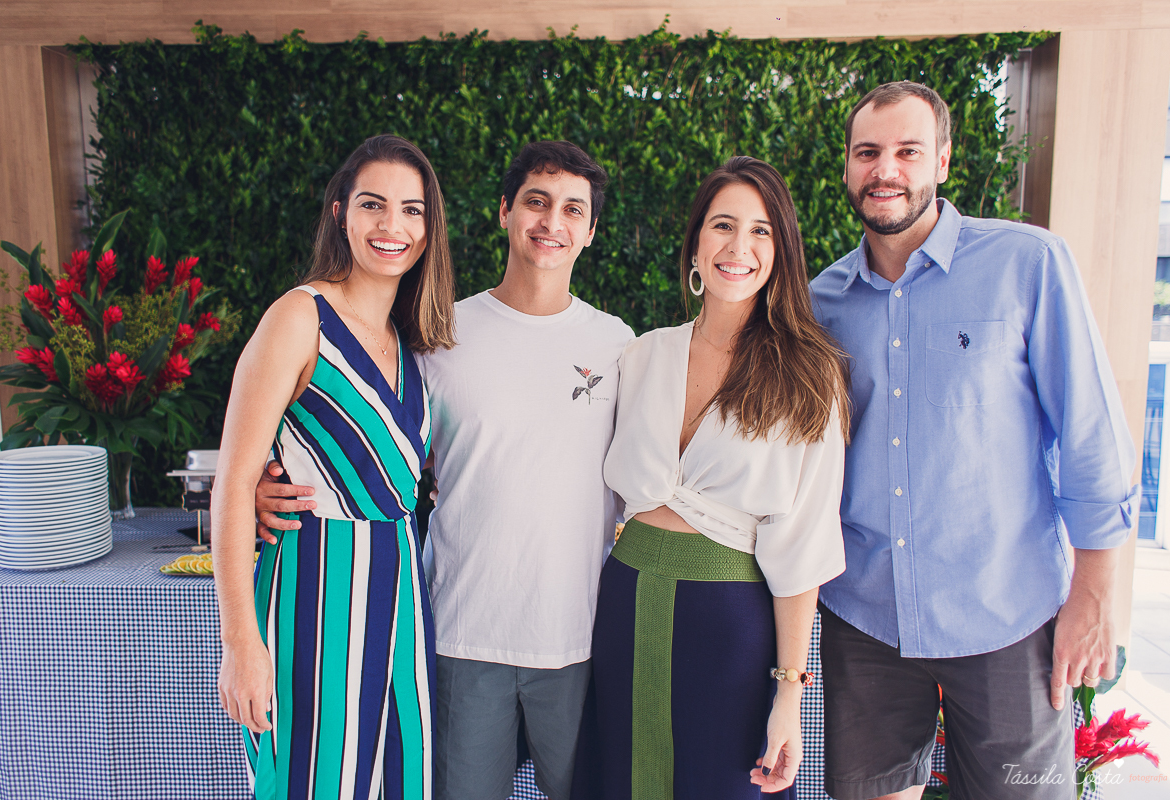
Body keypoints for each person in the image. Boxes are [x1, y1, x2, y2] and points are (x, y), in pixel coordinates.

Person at [254, 140, 635, 800]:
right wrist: (265, 473)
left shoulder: (620, 345)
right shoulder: (437, 334)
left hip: (577, 644)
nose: (552, 222)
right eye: (536, 202)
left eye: (573, 209)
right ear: (503, 212)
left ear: (592, 231)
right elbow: (351, 422)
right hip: (460, 639)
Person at [809, 81, 1138, 800]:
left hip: (1005, 612)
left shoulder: (1029, 264)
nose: (885, 169)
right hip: (866, 615)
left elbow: (1090, 435)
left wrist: (1095, 593)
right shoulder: (819, 302)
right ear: (846, 168)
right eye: (867, 152)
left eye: (907, 151)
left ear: (944, 161)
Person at [574, 156, 849, 800]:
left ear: (781, 251)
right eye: (723, 225)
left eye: (761, 231)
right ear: (696, 242)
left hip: (729, 625)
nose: (739, 246)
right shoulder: (642, 354)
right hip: (625, 604)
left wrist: (790, 695)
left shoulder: (812, 375)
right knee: (619, 780)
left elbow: (803, 547)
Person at [211, 133, 457, 800]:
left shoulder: (412, 344)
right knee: (313, 782)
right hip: (313, 596)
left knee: (400, 781)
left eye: (412, 210)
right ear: (339, 212)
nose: (392, 226)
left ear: (429, 229)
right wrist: (240, 642)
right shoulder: (299, 317)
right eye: (374, 205)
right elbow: (233, 483)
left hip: (403, 596)